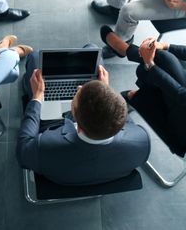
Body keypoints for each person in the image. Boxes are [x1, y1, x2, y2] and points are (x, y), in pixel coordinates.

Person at [16, 47, 151, 185]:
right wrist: (105, 92)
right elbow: (122, 120)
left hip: (62, 180)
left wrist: (37, 97)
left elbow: (22, 152)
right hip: (108, 176)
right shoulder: (142, 140)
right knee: (93, 48)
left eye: (76, 97)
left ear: (73, 117)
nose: (79, 88)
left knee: (34, 56)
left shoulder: (44, 147)